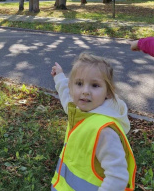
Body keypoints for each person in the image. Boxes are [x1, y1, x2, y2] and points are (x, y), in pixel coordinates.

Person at [50, 53, 136, 191]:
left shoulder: (104, 132)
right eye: (79, 83)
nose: (85, 91)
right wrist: (59, 77)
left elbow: (118, 177)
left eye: (95, 85)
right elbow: (66, 96)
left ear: (108, 92)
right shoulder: (77, 110)